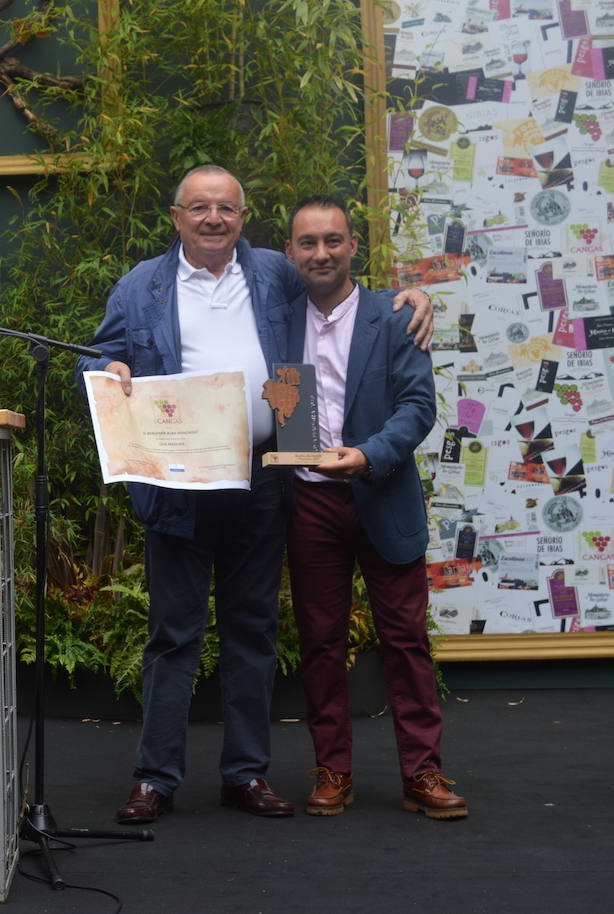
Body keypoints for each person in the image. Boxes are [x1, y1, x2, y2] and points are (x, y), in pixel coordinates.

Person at [77, 165, 433, 824]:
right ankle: (155, 778)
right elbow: (96, 358)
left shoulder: (273, 271)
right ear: (177, 217)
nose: (213, 218)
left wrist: (406, 297)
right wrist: (107, 367)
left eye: (226, 208)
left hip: (261, 480)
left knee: (253, 631)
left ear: (244, 217)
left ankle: (245, 773)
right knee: (172, 635)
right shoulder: (139, 286)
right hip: (178, 482)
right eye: (199, 207)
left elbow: (339, 290)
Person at [281, 195, 463, 819]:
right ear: (289, 252)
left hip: (382, 492)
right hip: (310, 501)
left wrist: (366, 455)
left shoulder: (394, 315)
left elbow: (418, 407)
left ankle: (423, 773)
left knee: (406, 639)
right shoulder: (277, 320)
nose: (322, 253)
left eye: (333, 240)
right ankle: (333, 770)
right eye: (308, 242)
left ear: (353, 245)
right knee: (320, 643)